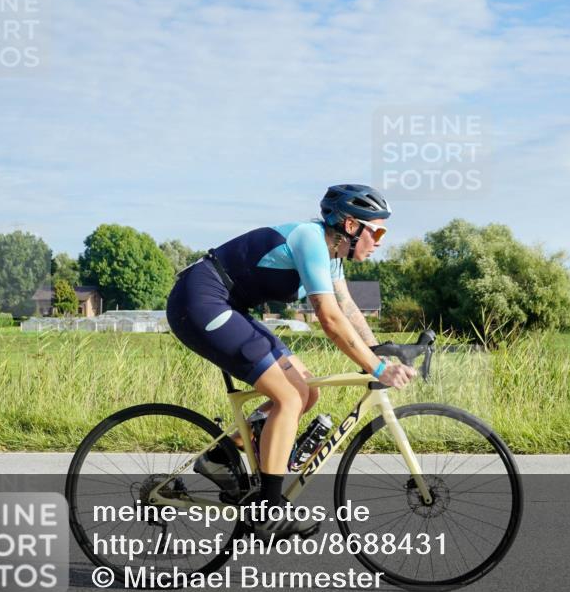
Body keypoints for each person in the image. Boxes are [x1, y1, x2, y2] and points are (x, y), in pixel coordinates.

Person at [165, 184, 417, 539]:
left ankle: (221, 456)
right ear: (350, 226)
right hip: (199, 302)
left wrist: (381, 350)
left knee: (306, 392)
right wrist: (378, 370)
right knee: (288, 396)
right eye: (376, 230)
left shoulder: (332, 256)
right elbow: (328, 319)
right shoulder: (310, 239)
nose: (380, 240)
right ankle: (269, 510)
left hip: (227, 306)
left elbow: (346, 308)